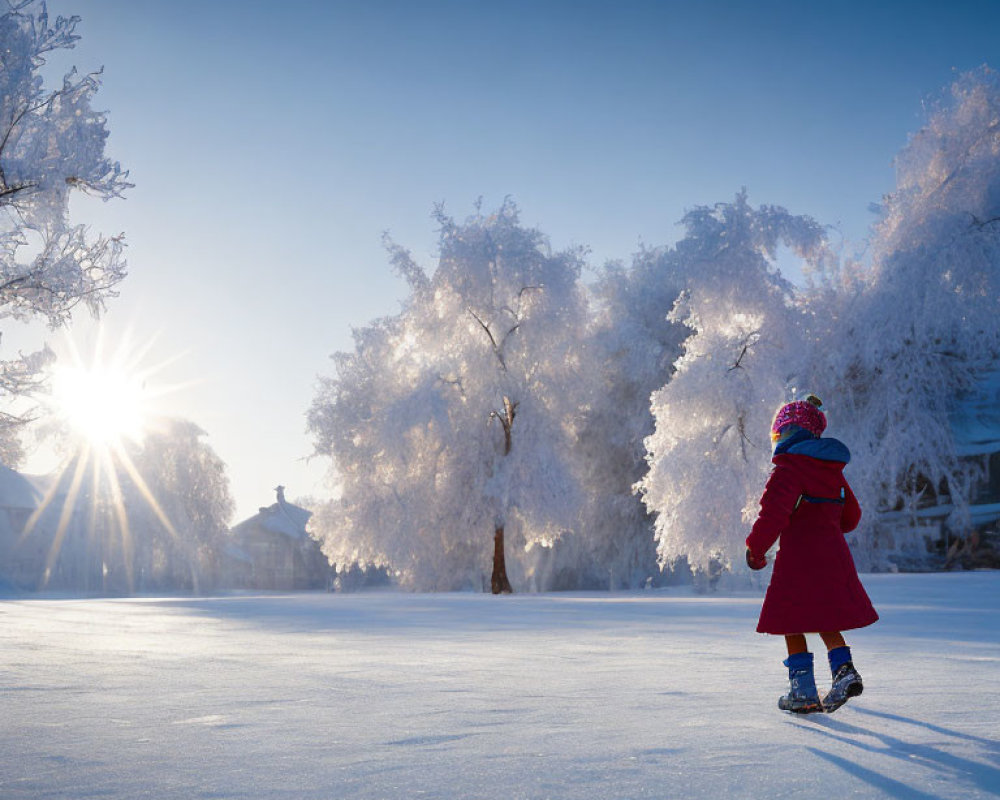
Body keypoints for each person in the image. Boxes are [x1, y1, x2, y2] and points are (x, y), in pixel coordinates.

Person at [745, 395, 879, 714]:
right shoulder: (832, 471)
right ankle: (844, 671)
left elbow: (773, 514)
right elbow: (851, 517)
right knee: (824, 615)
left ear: (788, 434)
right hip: (833, 556)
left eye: (778, 435)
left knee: (792, 617)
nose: (777, 441)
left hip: (798, 560)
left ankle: (803, 691)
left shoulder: (788, 469)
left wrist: (756, 549)